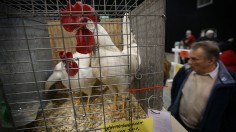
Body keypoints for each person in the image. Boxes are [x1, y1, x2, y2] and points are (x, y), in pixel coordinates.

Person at [168, 41, 236, 132]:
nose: (189, 62)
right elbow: (175, 90)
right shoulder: (185, 70)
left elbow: (231, 115)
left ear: (211, 61)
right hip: (179, 122)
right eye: (189, 58)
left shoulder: (230, 82)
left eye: (194, 59)